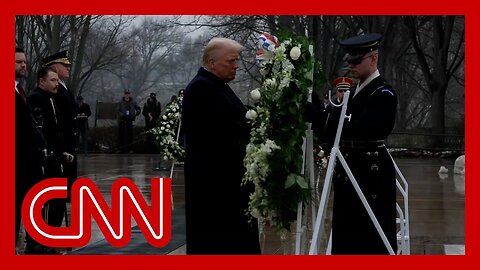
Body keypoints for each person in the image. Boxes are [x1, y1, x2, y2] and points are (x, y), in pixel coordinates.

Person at [182, 37, 261, 254]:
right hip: (215, 190)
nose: (236, 66)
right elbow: (222, 132)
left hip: (225, 186)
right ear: (212, 61)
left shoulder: (217, 86)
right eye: (231, 61)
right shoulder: (202, 88)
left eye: (236, 61)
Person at [325, 33, 398, 254]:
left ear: (373, 58)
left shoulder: (382, 93)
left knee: (369, 238)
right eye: (349, 60)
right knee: (348, 235)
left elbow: (363, 129)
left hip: (369, 173)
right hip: (352, 171)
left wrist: (328, 115)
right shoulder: (357, 90)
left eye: (356, 60)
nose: (351, 65)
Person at [27, 66, 75, 254]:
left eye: (57, 80)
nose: (57, 84)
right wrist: (47, 151)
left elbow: (56, 131)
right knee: (46, 201)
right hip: (44, 159)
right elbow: (38, 130)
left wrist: (62, 150)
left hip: (55, 156)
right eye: (53, 81)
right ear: (42, 81)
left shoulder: (52, 99)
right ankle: (40, 242)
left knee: (58, 200)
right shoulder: (36, 99)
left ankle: (50, 238)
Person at [15, 47, 46, 254]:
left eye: (24, 61)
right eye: (18, 62)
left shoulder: (19, 89)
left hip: (26, 160)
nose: (23, 65)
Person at [43, 50, 78, 205]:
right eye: (65, 65)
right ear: (55, 67)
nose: (68, 68)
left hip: (70, 138)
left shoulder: (63, 87)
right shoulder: (56, 90)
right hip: (63, 139)